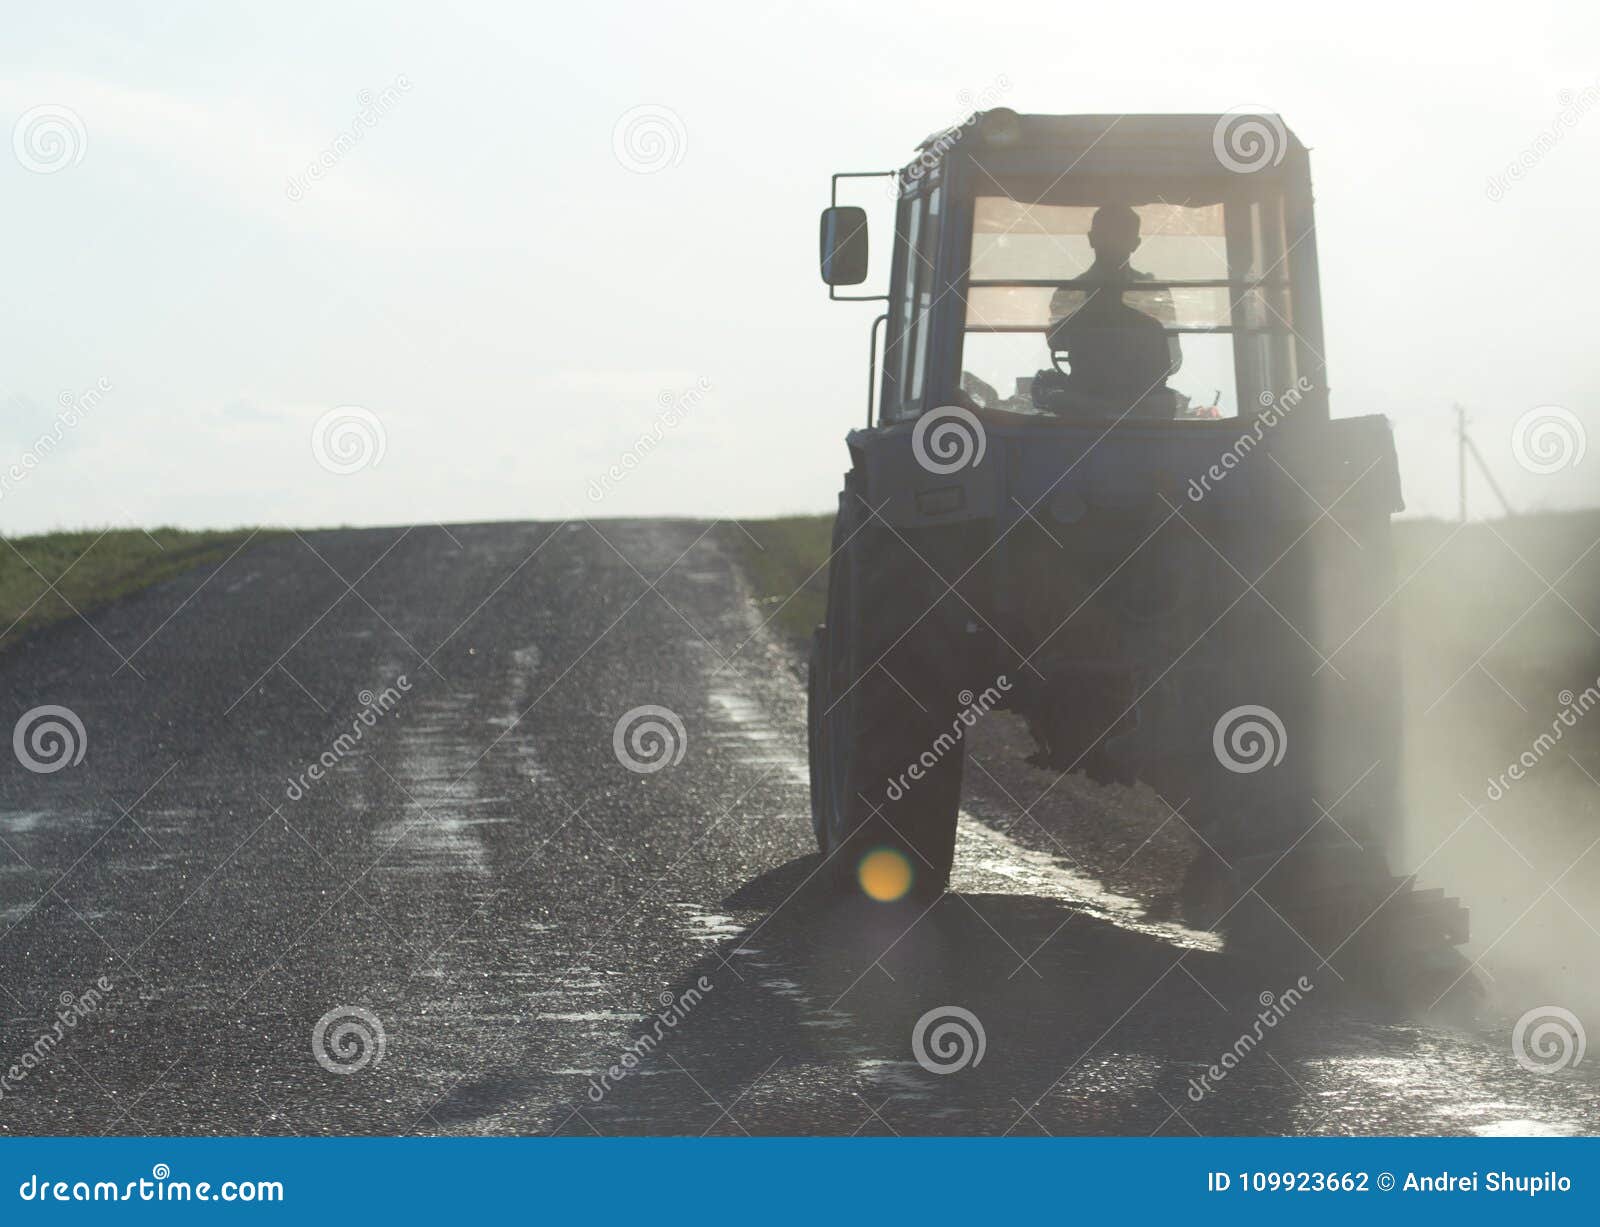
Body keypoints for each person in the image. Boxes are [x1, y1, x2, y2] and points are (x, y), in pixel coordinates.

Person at [1035, 205, 1179, 419]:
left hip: (1092, 400)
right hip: (1110, 400)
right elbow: (1171, 361)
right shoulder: (1152, 293)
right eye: (1107, 236)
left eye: (1118, 237)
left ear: (1091, 238)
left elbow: (1055, 343)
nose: (1112, 244)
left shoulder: (1069, 293)